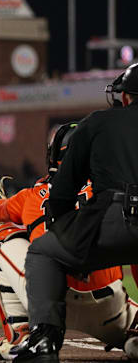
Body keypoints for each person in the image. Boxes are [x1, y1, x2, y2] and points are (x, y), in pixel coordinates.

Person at [0, 122, 138, 361]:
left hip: (48, 304)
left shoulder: (31, 196)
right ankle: (133, 336)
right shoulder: (116, 190)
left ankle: (22, 336)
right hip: (109, 309)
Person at [12, 64, 138, 362]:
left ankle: (44, 340)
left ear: (126, 97)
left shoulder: (98, 123)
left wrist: (70, 235)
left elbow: (63, 192)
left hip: (114, 218)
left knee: (45, 252)